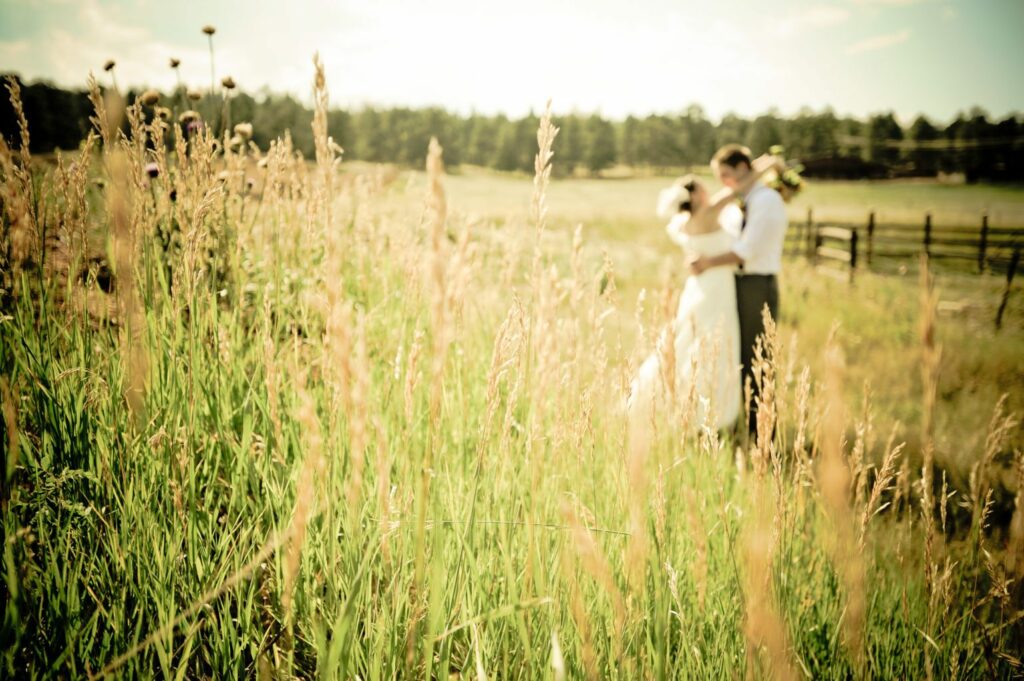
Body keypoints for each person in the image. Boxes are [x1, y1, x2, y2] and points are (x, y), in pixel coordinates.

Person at [627, 152, 782, 432]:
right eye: (702, 186)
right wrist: (768, 162)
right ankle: (709, 410)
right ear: (697, 196)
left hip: (703, 286)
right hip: (717, 288)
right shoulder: (710, 212)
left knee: (692, 340)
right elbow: (739, 186)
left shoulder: (684, 223)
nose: (711, 187)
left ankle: (686, 403)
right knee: (716, 343)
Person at [689, 144, 789, 437]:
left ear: (744, 170)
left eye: (726, 174)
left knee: (758, 358)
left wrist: (708, 262)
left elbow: (747, 250)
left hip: (756, 285)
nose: (722, 182)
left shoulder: (767, 200)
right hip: (734, 285)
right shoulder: (738, 202)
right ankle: (738, 425)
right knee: (735, 356)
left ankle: (763, 434)